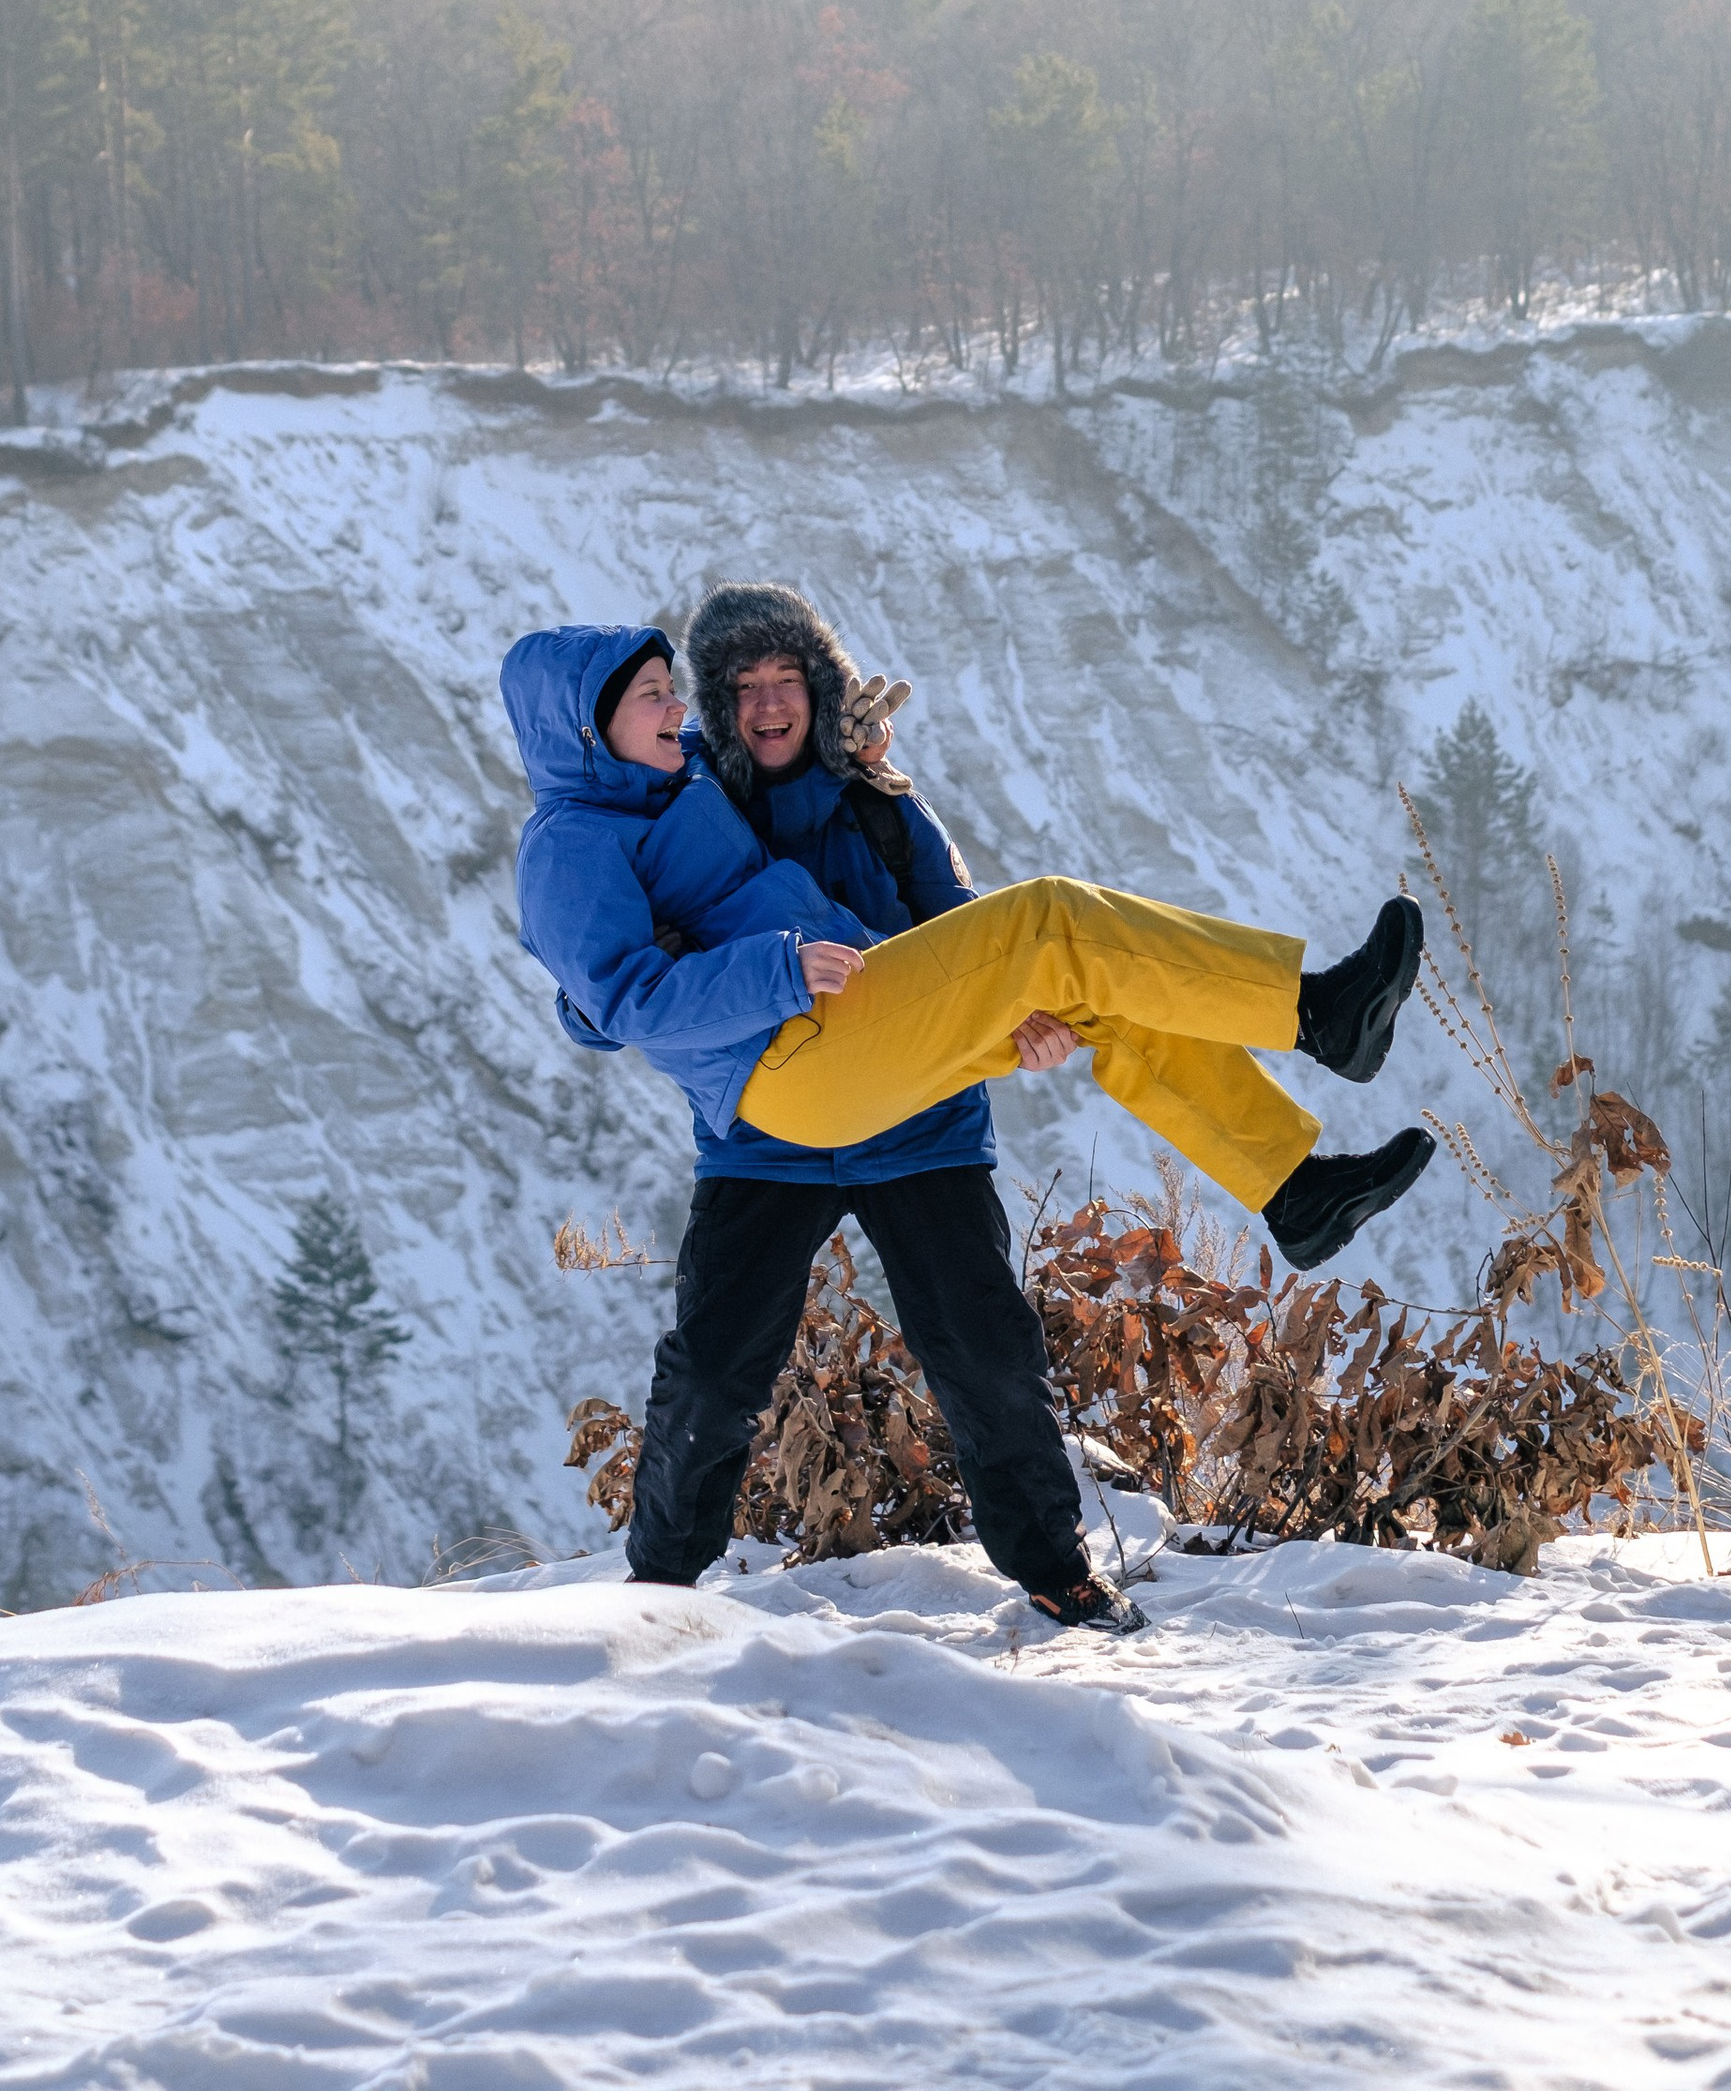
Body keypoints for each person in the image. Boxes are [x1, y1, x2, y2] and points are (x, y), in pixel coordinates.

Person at [503, 586, 1434, 1634]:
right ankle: (659, 1589)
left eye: (787, 681)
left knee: (990, 1349)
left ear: (824, 689)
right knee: (715, 1368)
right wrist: (714, 976)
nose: (764, 705)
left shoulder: (872, 804)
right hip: (771, 1132)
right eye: (734, 689)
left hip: (918, 1115)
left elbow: (955, 932)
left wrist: (1034, 1023)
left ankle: (1290, 1191)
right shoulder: (680, 797)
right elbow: (601, 986)